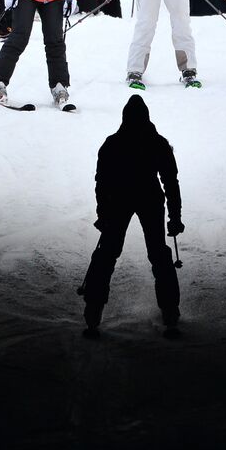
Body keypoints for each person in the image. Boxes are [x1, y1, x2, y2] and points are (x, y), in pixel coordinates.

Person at [79, 94, 183, 338]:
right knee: (159, 253)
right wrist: (175, 216)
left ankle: (93, 311)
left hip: (119, 199)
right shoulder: (158, 143)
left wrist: (102, 212)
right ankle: (170, 311)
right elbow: (170, 182)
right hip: (150, 198)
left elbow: (101, 182)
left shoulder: (112, 144)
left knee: (107, 253)